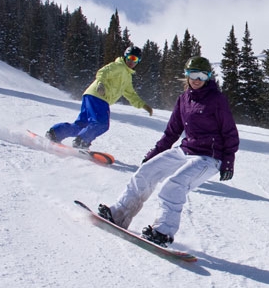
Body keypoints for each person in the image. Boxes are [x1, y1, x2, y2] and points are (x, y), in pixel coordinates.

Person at [97, 56, 239, 247]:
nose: (196, 79)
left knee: (174, 185)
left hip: (209, 157)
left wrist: (228, 162)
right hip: (186, 150)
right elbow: (172, 132)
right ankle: (119, 214)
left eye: (202, 75)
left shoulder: (217, 100)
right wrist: (153, 154)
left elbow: (230, 132)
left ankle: (163, 232)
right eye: (192, 74)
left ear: (209, 77)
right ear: (186, 75)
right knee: (146, 172)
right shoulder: (184, 99)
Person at [47, 45, 153, 148]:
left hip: (90, 96)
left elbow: (131, 94)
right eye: (130, 58)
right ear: (126, 56)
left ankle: (55, 133)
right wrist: (100, 84)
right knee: (101, 124)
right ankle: (81, 141)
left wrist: (143, 105)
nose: (132, 62)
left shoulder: (127, 77)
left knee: (82, 125)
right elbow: (103, 72)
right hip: (99, 96)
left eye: (135, 60)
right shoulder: (118, 66)